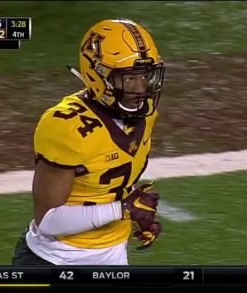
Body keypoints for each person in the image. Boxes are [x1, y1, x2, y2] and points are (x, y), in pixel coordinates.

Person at [12, 18, 166, 265]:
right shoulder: (66, 125)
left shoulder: (145, 115)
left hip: (113, 255)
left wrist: (135, 214)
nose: (141, 89)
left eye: (146, 76)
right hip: (57, 259)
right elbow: (48, 221)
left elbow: (111, 189)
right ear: (99, 76)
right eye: (129, 79)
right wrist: (122, 210)